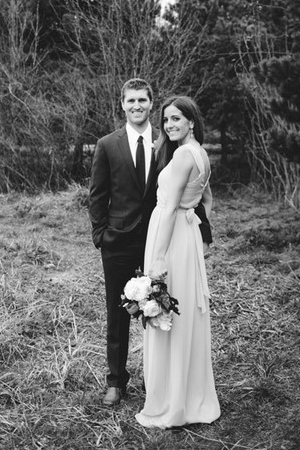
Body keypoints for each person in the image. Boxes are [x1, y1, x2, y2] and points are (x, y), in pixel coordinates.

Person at [89, 80, 212, 407]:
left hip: (159, 241)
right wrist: (100, 235)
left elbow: (187, 192)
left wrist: (202, 230)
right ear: (122, 103)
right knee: (118, 312)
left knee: (160, 308)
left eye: (142, 100)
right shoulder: (107, 144)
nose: (137, 106)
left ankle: (156, 378)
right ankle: (116, 381)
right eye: (131, 100)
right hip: (117, 241)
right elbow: (97, 195)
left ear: (150, 103)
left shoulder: (167, 141)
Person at [135, 95, 220, 428]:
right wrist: (195, 225)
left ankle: (171, 402)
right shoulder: (201, 153)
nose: (169, 125)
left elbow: (170, 208)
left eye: (176, 119)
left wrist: (158, 256)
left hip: (170, 236)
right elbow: (207, 200)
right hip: (185, 236)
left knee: (167, 311)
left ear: (191, 122)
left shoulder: (184, 155)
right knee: (180, 312)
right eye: (166, 120)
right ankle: (185, 392)